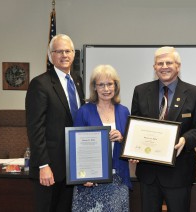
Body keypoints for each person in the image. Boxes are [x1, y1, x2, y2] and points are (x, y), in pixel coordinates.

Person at [131, 46, 196, 212]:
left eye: (169, 62)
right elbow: (135, 126)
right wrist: (133, 150)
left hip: (178, 173)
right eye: (160, 63)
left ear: (178, 66)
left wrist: (186, 139)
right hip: (148, 173)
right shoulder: (141, 91)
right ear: (154, 67)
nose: (164, 66)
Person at [26, 34, 85, 212]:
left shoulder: (77, 81)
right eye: (58, 51)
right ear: (51, 55)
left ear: (73, 54)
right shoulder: (40, 84)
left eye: (68, 51)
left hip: (71, 167)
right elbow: (35, 128)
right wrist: (43, 165)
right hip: (50, 168)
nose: (64, 55)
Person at [71, 65, 132, 212]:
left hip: (118, 180)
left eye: (110, 84)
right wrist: (81, 177)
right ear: (94, 87)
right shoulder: (84, 112)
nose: (106, 89)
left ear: (115, 86)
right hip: (90, 182)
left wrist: (122, 139)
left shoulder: (124, 111)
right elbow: (75, 148)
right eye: (101, 85)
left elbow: (131, 145)